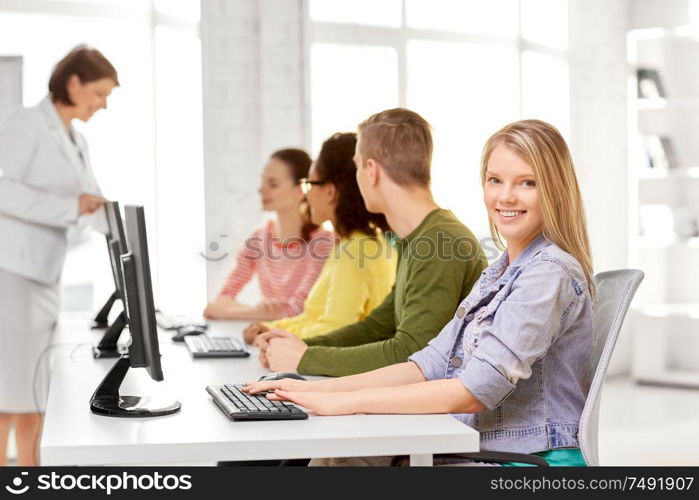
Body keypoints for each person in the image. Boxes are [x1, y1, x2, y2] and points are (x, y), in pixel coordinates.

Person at [244, 119, 594, 467]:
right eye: (495, 180)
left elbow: (473, 390)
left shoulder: (548, 272)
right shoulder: (500, 271)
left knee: (335, 455)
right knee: (331, 453)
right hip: (480, 445)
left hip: (522, 460)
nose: (505, 197)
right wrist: (314, 391)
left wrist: (348, 401)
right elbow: (429, 362)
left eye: (527, 183)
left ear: (553, 189)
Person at [254, 108, 487, 376]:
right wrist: (297, 346)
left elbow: (412, 351)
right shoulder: (417, 238)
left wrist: (305, 358)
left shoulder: (440, 242)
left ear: (371, 170)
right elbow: (378, 326)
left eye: (356, 166)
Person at [0, 45, 118, 466]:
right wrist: (70, 207)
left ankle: (29, 470)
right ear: (74, 83)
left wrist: (117, 224)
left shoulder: (76, 138)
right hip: (14, 271)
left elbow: (90, 203)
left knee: (29, 388)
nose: (103, 104)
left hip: (44, 273)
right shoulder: (26, 122)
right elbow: (3, 187)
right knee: (13, 391)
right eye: (100, 93)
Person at [242, 132, 397, 344]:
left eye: (310, 184)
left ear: (330, 192)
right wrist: (269, 328)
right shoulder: (351, 243)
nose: (306, 194)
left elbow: (335, 330)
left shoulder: (355, 252)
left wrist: (273, 335)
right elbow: (313, 318)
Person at [203, 149, 333, 321]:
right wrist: (261, 313)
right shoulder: (258, 239)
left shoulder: (323, 243)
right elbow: (221, 300)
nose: (261, 190)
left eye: (273, 184)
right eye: (262, 182)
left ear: (301, 189)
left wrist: (249, 314)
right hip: (268, 337)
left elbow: (299, 310)